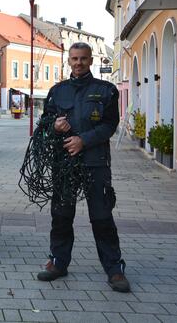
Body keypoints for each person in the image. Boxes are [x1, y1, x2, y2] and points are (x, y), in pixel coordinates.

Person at [36, 42, 130, 293]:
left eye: (83, 59)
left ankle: (114, 269)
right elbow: (45, 122)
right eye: (74, 59)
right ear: (69, 61)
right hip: (65, 164)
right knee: (62, 216)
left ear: (91, 61)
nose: (78, 63)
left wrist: (83, 140)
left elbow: (110, 125)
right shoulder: (57, 91)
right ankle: (58, 263)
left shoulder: (107, 90)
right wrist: (54, 125)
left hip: (95, 163)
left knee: (101, 217)